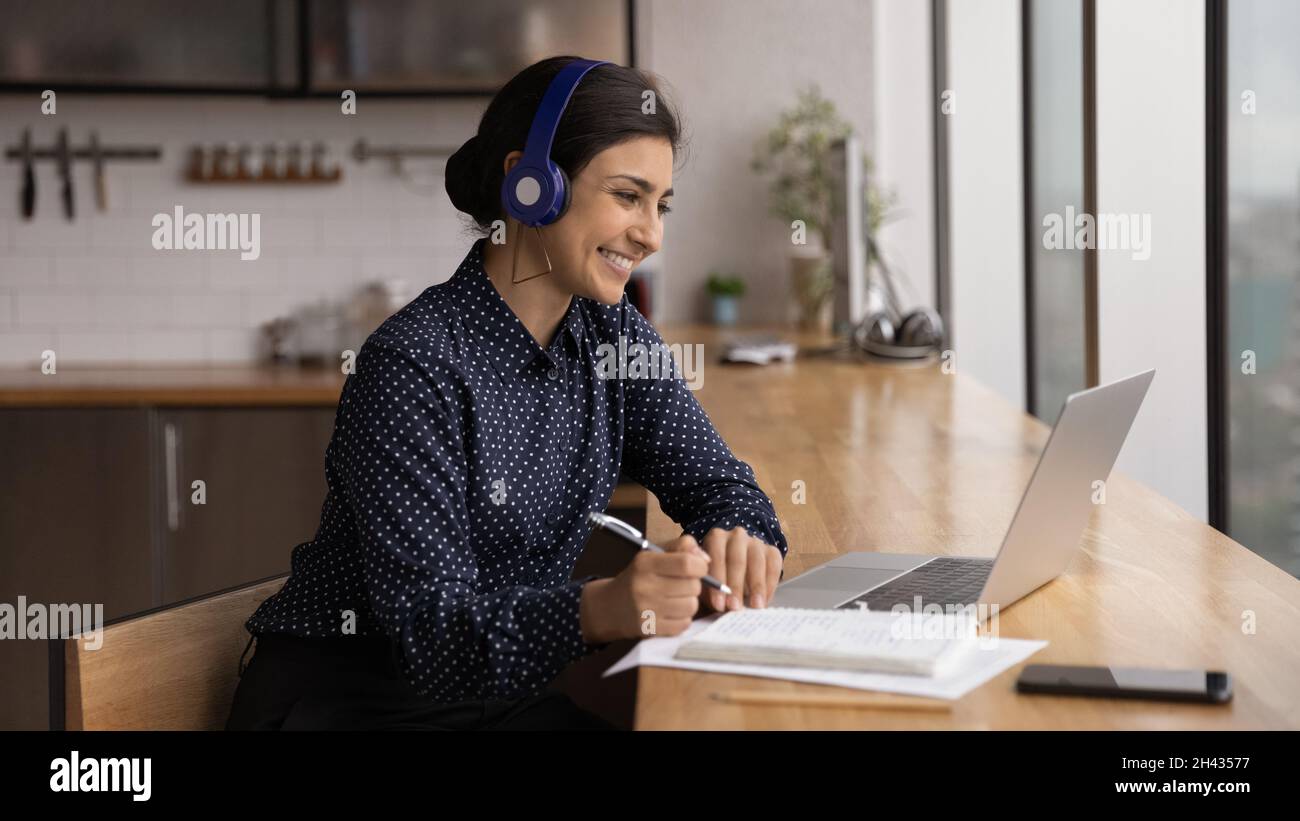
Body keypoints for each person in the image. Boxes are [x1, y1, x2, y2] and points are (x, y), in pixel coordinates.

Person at [226, 56, 788, 731]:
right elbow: (430, 635)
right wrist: (603, 607)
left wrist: (742, 539)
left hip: (496, 701)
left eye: (660, 205)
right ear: (531, 185)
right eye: (627, 196)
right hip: (350, 707)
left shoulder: (614, 336)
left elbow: (721, 486)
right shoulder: (414, 364)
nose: (651, 234)